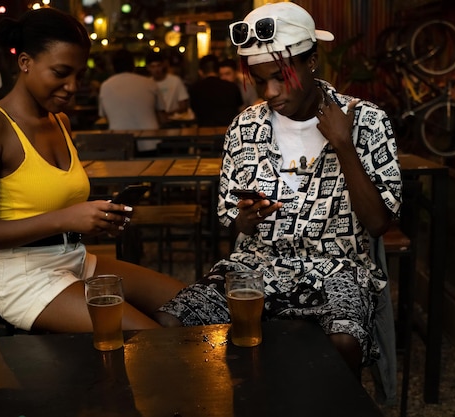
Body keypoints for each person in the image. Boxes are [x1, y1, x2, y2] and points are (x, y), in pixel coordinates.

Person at [155, 2, 402, 381]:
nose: (270, 91)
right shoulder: (245, 127)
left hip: (338, 268)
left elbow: (378, 223)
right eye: (258, 79)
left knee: (343, 342)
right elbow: (234, 221)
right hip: (254, 267)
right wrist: (246, 219)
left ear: (312, 61)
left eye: (281, 77)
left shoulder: (366, 120)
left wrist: (344, 146)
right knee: (172, 322)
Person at [0, 8, 185, 334]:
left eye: (79, 75)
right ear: (25, 62)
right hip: (25, 278)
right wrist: (67, 219)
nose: (71, 86)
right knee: (152, 339)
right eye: (61, 73)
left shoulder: (59, 121)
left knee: (189, 304)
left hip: (76, 261)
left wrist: (97, 219)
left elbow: (58, 206)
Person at [98, 49, 167, 156]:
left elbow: (105, 117)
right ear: (133, 65)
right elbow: (162, 117)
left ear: (113, 66)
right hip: (151, 141)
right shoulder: (149, 83)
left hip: (119, 144)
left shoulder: (105, 86)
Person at [189, 54, 243, 127]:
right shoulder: (232, 87)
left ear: (201, 72)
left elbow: (193, 110)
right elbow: (239, 107)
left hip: (203, 132)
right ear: (218, 70)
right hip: (229, 130)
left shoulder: (194, 88)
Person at [145, 50, 192, 123]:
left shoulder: (175, 81)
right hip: (155, 122)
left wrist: (168, 114)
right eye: (153, 67)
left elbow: (183, 106)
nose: (156, 70)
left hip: (173, 121)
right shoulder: (147, 84)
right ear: (148, 68)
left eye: (158, 66)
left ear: (163, 65)